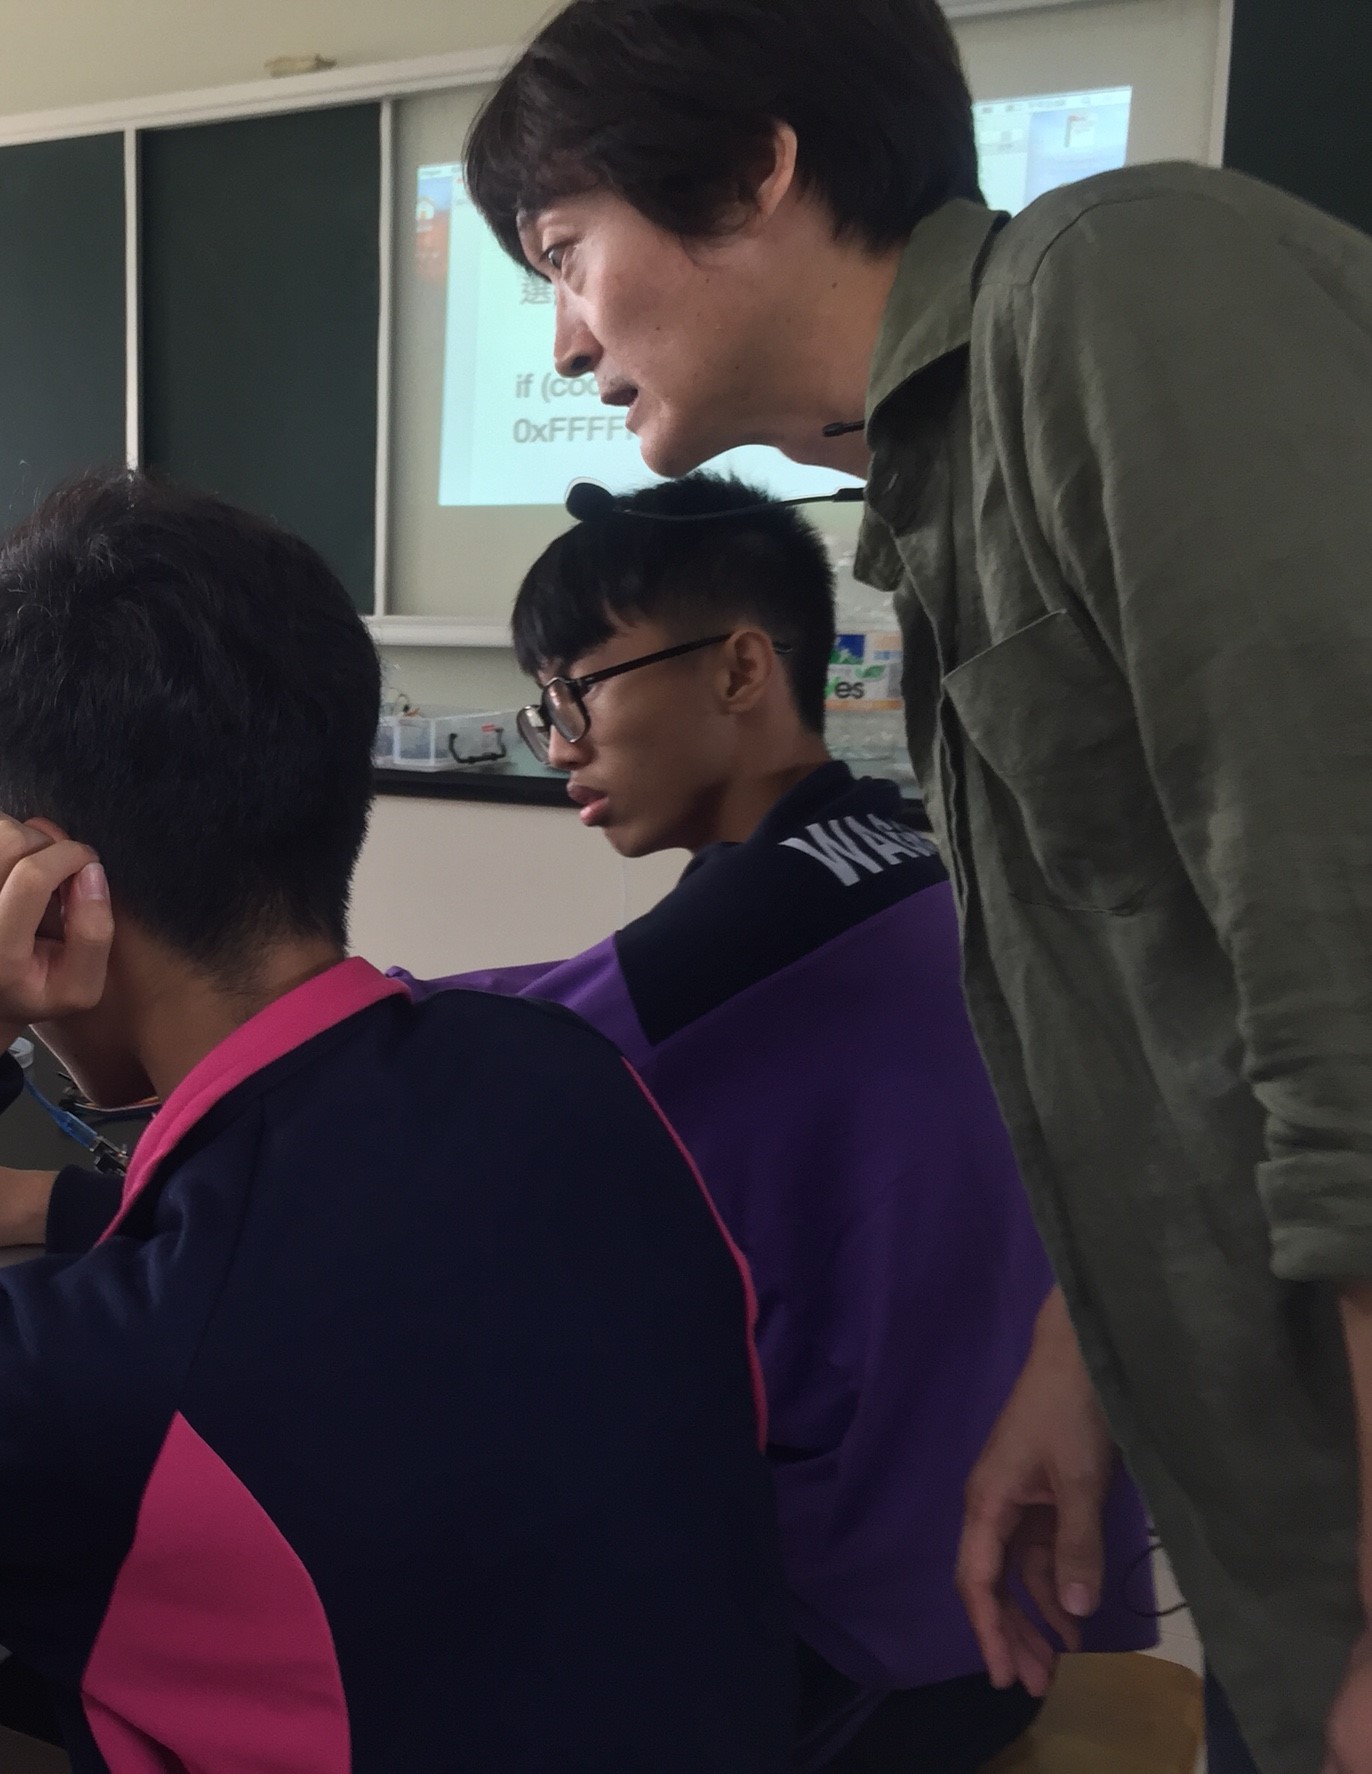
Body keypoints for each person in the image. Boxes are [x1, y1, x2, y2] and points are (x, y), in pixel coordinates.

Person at [460, 5, 1372, 1771]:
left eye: (565, 253)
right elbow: (1156, 1028)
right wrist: (1081, 1362)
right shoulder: (939, 512)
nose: (565, 341)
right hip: (1278, 1546)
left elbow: (1346, 971)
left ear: (754, 166)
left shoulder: (1116, 286)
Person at [0, 470, 794, 1771]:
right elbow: (338, 1273)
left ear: (47, 882)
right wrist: (67, 1207)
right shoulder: (561, 1072)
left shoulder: (120, 1373)